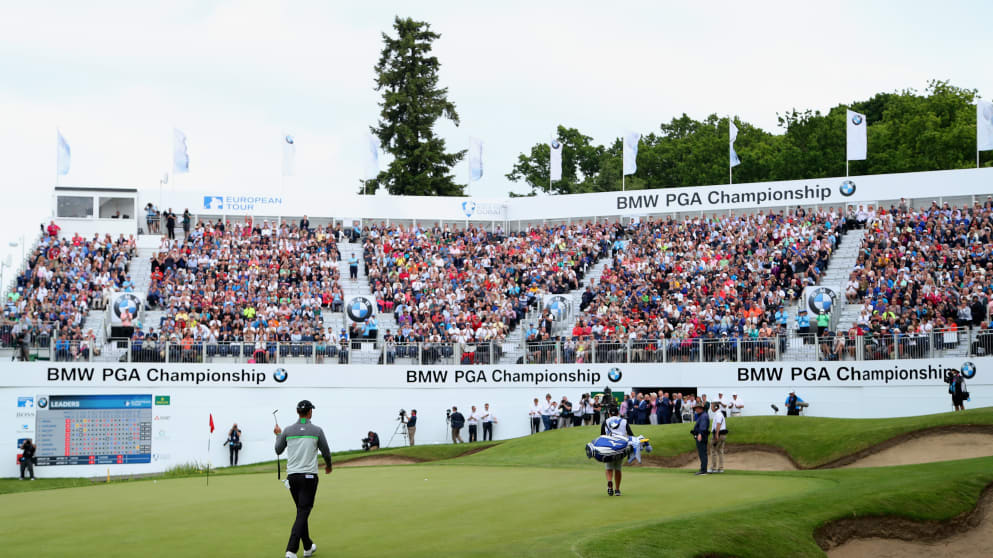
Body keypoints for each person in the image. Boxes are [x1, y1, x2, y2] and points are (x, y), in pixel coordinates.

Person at [273, 400, 332, 558]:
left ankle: (307, 546)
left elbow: (278, 449)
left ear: (298, 412)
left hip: (292, 477)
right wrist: (328, 466)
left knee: (301, 511)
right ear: (310, 412)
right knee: (303, 511)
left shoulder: (287, 430)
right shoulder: (317, 430)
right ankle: (291, 550)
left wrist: (278, 435)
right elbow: (326, 452)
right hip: (309, 477)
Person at [601, 404, 634, 496]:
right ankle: (617, 490)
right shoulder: (624, 421)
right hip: (621, 446)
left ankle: (609, 483)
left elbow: (602, 436)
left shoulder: (606, 421)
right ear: (618, 413)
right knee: (618, 469)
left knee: (608, 468)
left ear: (609, 413)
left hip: (609, 446)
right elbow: (631, 434)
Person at [691, 403, 710, 475]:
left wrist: (700, 434)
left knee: (702, 453)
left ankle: (703, 470)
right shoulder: (702, 415)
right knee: (702, 453)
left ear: (700, 408)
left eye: (696, 408)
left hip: (702, 436)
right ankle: (703, 468)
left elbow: (703, 427)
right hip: (701, 436)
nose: (695, 410)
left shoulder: (703, 416)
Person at [708, 402, 727, 473]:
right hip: (722, 435)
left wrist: (716, 434)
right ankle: (720, 468)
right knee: (720, 451)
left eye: (712, 406)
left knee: (713, 450)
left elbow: (718, 424)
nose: (711, 408)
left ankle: (713, 468)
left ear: (715, 407)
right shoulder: (719, 414)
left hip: (718, 434)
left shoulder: (718, 414)